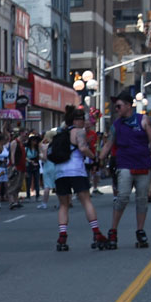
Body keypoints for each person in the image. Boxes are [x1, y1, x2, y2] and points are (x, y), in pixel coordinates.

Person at [101, 92, 151, 249]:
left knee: (142, 199)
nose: (117, 109)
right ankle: (113, 230)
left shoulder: (143, 120)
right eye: (116, 107)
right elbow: (108, 144)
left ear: (128, 105)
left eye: (119, 106)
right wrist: (98, 158)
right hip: (124, 164)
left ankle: (140, 231)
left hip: (143, 165)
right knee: (123, 197)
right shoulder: (116, 125)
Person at [52, 106, 106, 251]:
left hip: (60, 172)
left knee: (64, 205)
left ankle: (62, 236)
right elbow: (82, 148)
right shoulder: (79, 132)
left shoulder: (60, 133)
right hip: (76, 170)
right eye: (83, 119)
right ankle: (96, 233)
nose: (84, 122)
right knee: (86, 201)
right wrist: (93, 157)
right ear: (77, 120)